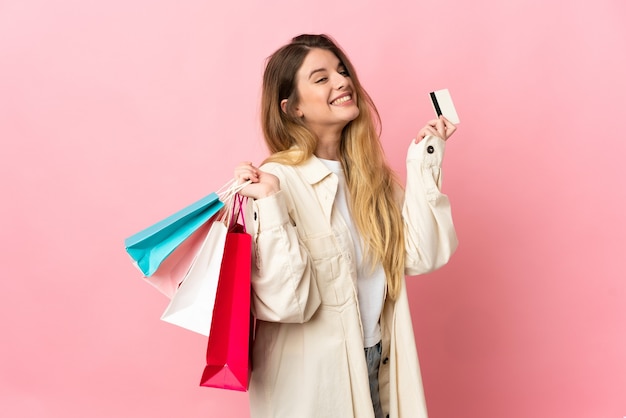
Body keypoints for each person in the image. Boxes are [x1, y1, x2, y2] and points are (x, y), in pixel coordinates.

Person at [234, 34, 458, 418]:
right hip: (315, 381)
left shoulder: (372, 179)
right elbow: (283, 302)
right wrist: (269, 203)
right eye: (320, 78)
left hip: (378, 359)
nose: (342, 81)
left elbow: (422, 256)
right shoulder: (275, 181)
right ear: (292, 108)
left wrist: (425, 161)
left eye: (341, 71)